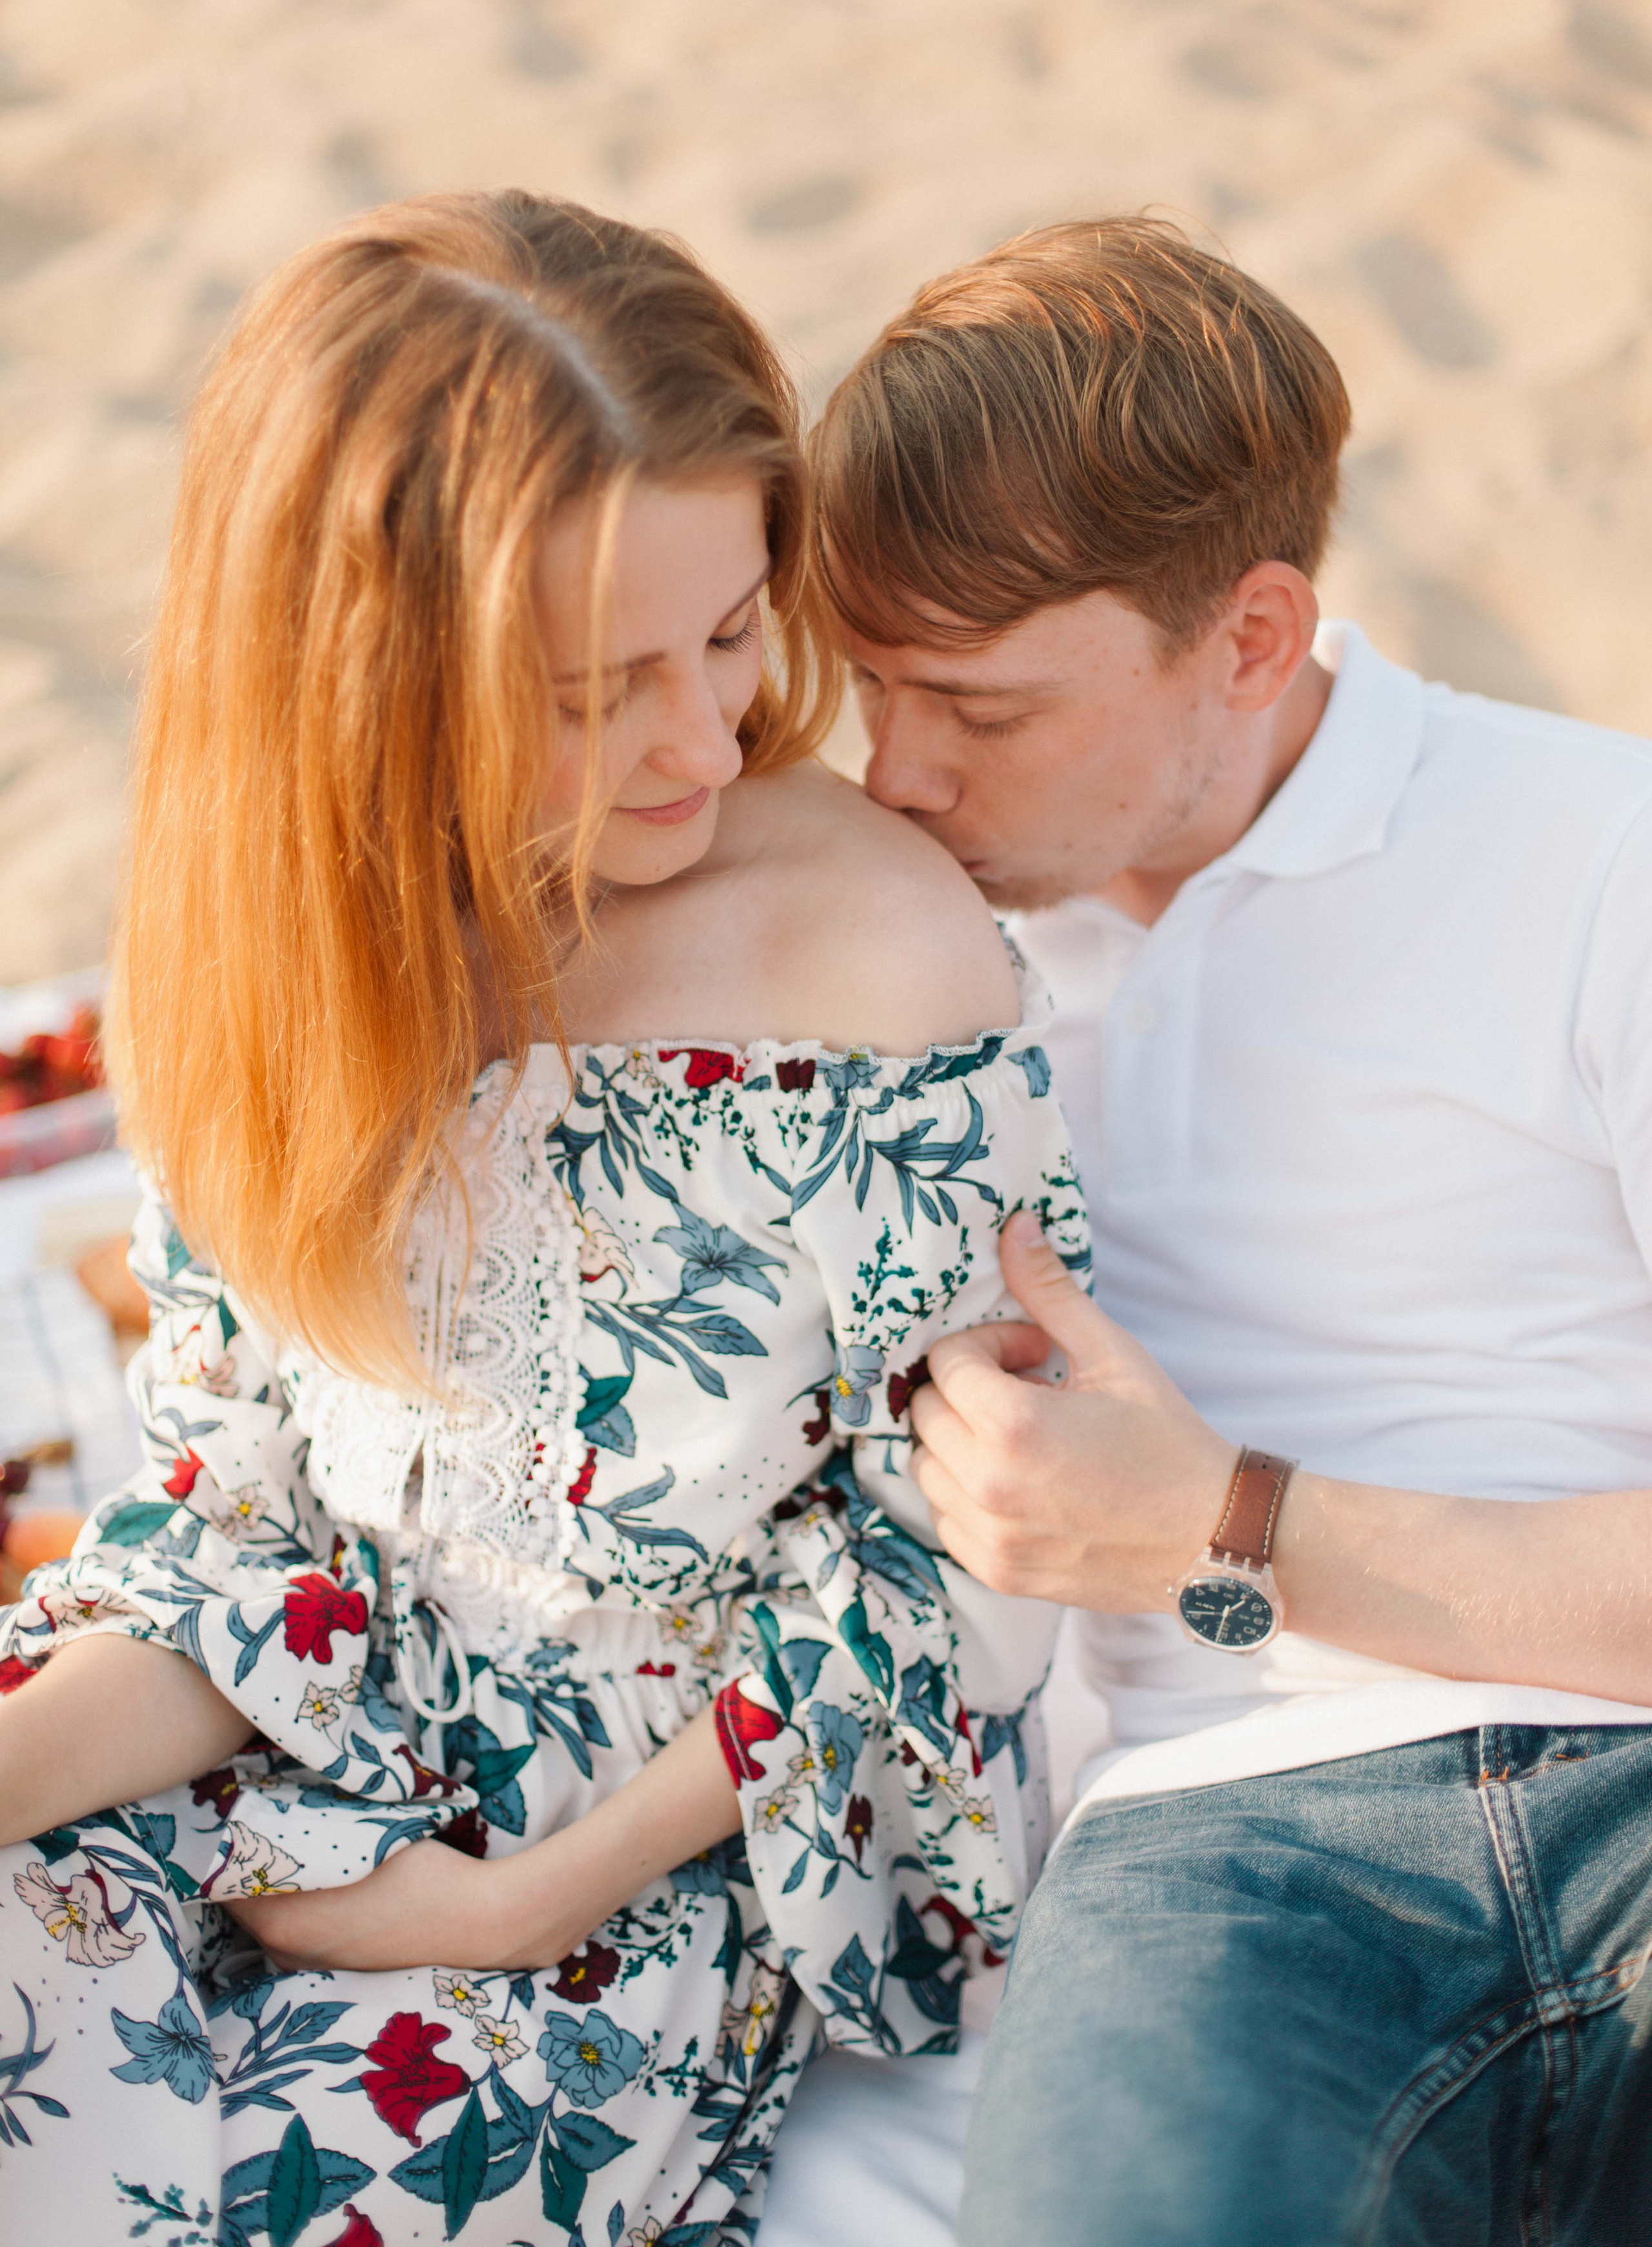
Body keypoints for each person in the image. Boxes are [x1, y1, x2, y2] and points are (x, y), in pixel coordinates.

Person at [0, 191, 1089, 2242]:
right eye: (596, 693)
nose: (704, 740)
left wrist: (519, 1904)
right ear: (360, 685)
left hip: (633, 1877)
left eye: (736, 629)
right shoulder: (265, 969)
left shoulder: (863, 955)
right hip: (264, 1757)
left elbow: (950, 1565)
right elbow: (241, 1522)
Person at [772, 214, 1652, 2246]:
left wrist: (1226, 1530)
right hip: (1226, 1853)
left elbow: (1212, 1535)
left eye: (980, 709)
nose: (899, 773)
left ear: (1252, 638)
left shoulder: (1600, 860)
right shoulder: (902, 945)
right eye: (870, 688)